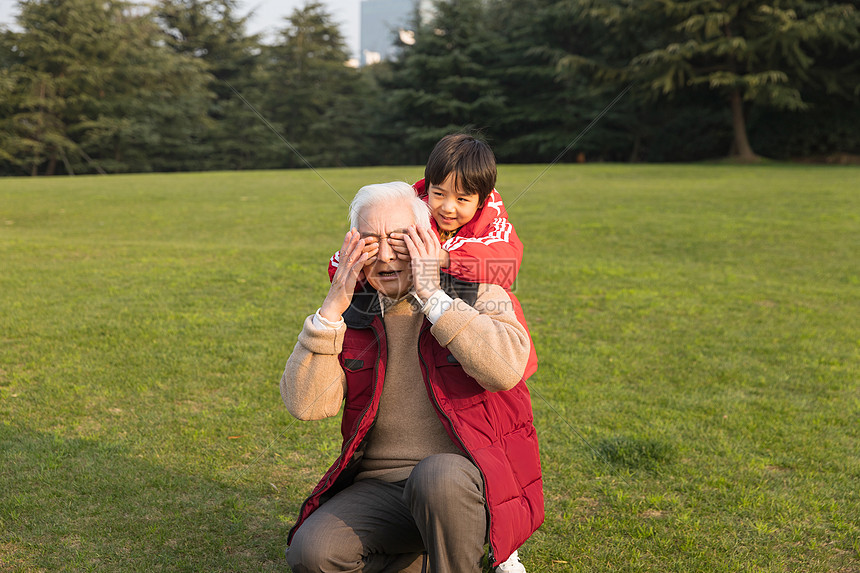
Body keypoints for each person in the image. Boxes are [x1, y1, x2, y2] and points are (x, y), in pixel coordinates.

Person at [281, 182, 544, 572]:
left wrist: (434, 298)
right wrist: (330, 310)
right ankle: (432, 555)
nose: (385, 255)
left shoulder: (480, 291)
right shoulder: (353, 312)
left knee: (435, 476)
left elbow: (505, 370)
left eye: (399, 240)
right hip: (382, 489)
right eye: (370, 241)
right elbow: (307, 405)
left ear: (426, 239)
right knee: (313, 553)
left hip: (465, 483)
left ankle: (459, 550)